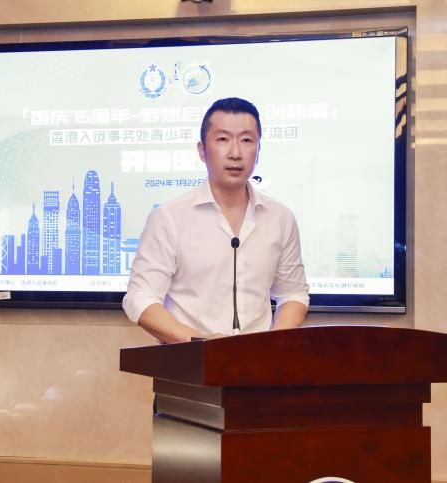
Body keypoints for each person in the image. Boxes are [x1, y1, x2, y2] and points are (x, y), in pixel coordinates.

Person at [122, 97, 309, 343]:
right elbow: (140, 297)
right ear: (202, 150)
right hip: (189, 360)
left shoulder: (280, 218)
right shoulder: (169, 217)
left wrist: (270, 346)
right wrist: (200, 342)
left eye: (246, 140)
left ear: (258, 151)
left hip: (259, 363)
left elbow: (293, 294)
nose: (235, 153)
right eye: (223, 139)